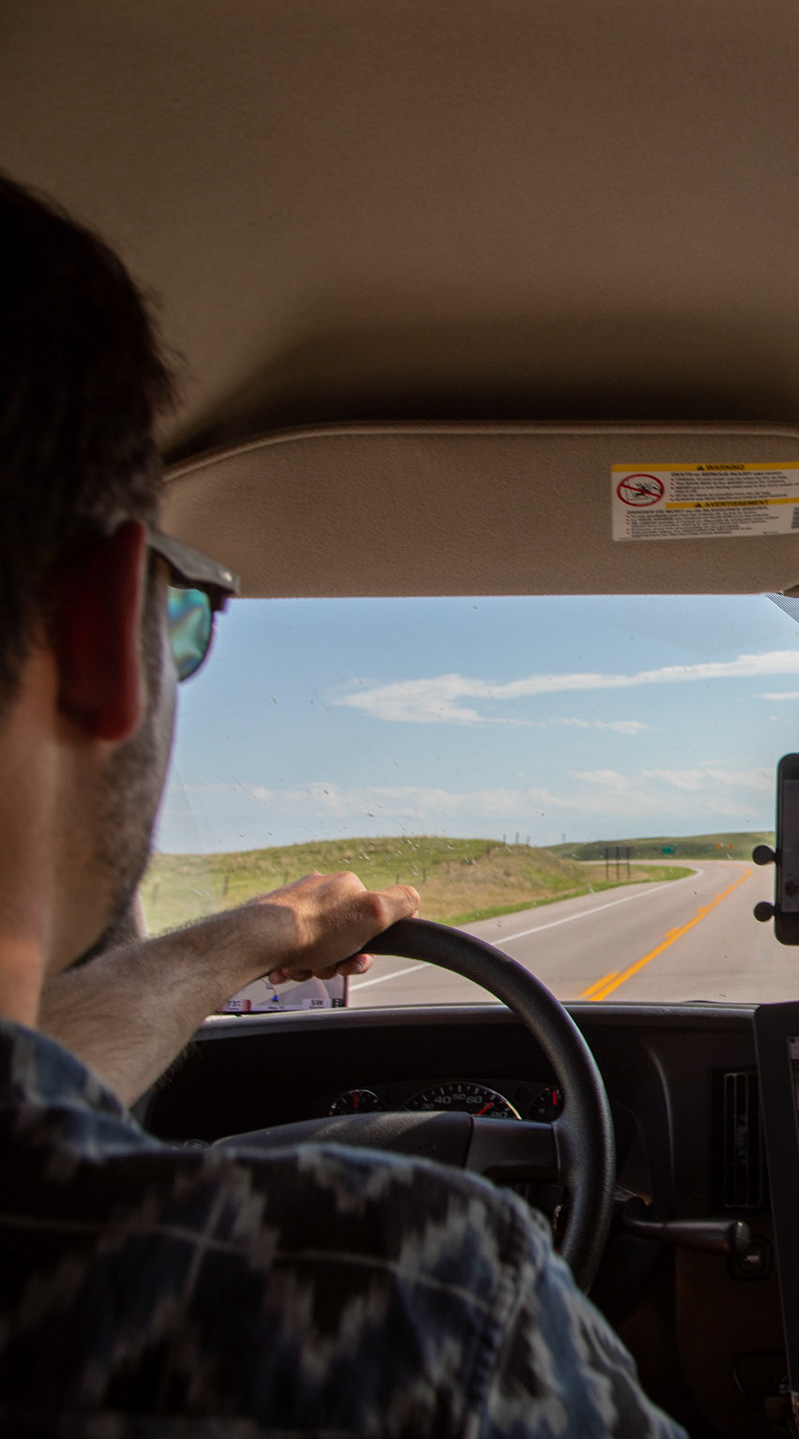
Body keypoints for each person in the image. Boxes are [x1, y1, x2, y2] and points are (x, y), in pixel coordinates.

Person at [0, 175, 678, 1436]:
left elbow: (31, 1081)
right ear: (103, 627)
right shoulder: (415, 1302)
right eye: (179, 612)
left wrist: (256, 931)